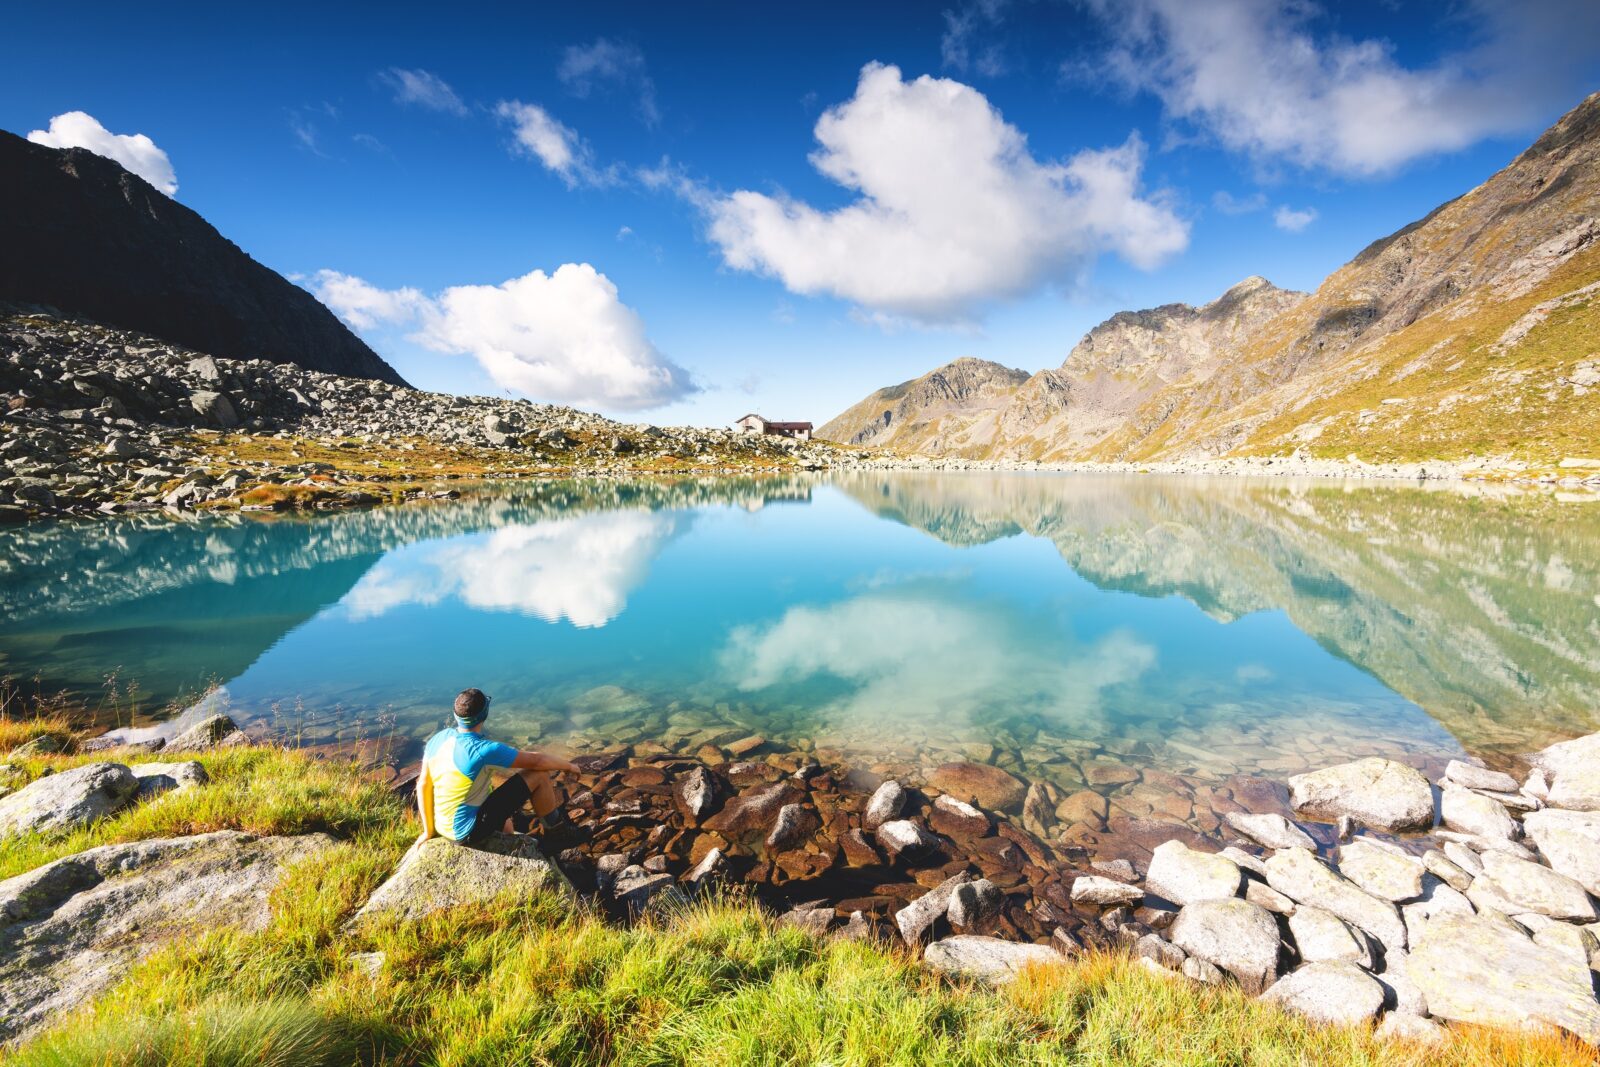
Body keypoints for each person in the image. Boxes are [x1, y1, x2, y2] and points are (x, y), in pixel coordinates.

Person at [414, 688, 581, 845]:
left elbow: (423, 785)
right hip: (467, 833)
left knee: (487, 787)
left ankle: (508, 837)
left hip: (443, 827)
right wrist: (569, 766)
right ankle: (558, 836)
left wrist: (428, 832)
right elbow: (537, 762)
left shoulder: (437, 740)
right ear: (484, 713)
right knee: (539, 775)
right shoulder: (484, 750)